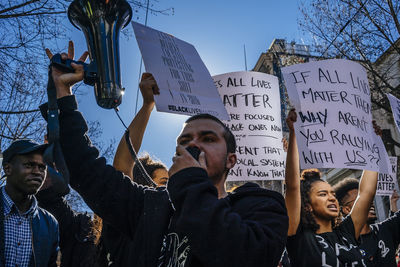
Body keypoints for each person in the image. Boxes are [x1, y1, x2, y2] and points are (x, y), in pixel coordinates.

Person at [42, 41, 288, 267]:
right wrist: (63, 94)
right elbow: (86, 168)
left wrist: (192, 180)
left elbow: (248, 255)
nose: (194, 145)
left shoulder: (260, 204)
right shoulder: (149, 206)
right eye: (184, 140)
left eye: (208, 138)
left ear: (231, 159)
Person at [284, 109, 379, 266]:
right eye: (322, 194)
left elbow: (366, 193)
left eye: (332, 194)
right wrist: (293, 133)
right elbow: (292, 186)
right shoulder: (299, 237)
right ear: (307, 206)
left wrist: (373, 144)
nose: (332, 198)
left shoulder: (347, 232)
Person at [1, 139, 59, 267]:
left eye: (42, 167)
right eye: (29, 165)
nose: (37, 172)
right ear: (8, 169)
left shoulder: (50, 223)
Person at [334, 178, 400, 266]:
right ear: (346, 209)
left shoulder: (386, 229)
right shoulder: (341, 244)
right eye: (362, 201)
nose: (370, 202)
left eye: (370, 198)